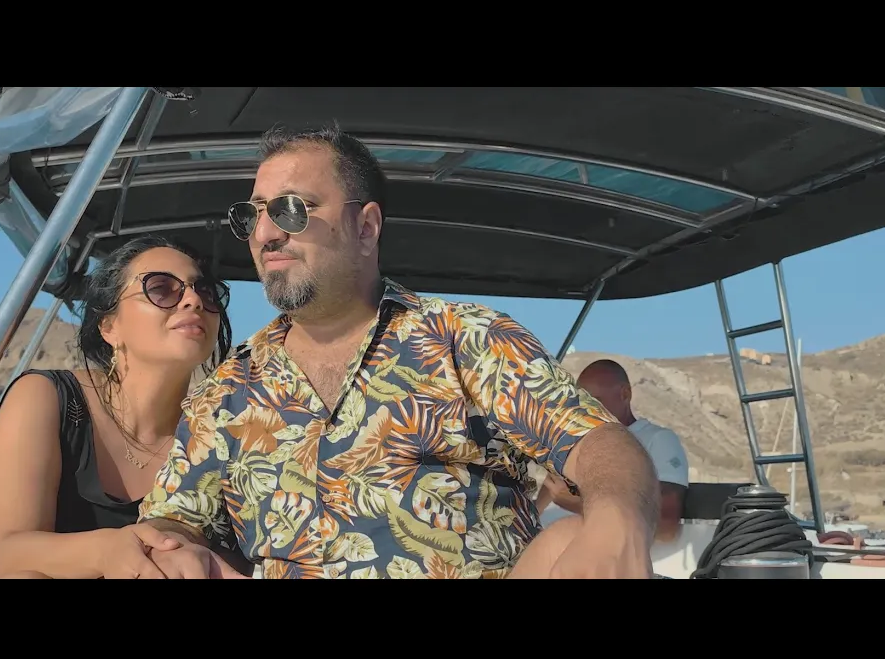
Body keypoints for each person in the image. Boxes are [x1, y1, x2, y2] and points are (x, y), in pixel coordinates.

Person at [130, 122, 661, 579]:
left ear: (365, 227)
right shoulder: (229, 389)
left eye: (292, 210)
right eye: (253, 215)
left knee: (573, 539)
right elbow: (175, 517)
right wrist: (175, 547)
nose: (265, 232)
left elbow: (597, 442)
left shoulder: (466, 339)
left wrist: (617, 520)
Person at [0, 234, 248, 579]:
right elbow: (5, 554)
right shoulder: (47, 398)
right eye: (161, 288)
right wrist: (109, 551)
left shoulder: (223, 430)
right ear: (109, 326)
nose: (193, 300)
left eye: (206, 291)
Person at [535, 359, 689, 542]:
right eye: (580, 403)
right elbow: (537, 510)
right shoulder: (577, 442)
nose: (585, 410)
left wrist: (579, 504)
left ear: (625, 394)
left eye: (594, 401)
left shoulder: (658, 440)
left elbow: (666, 526)